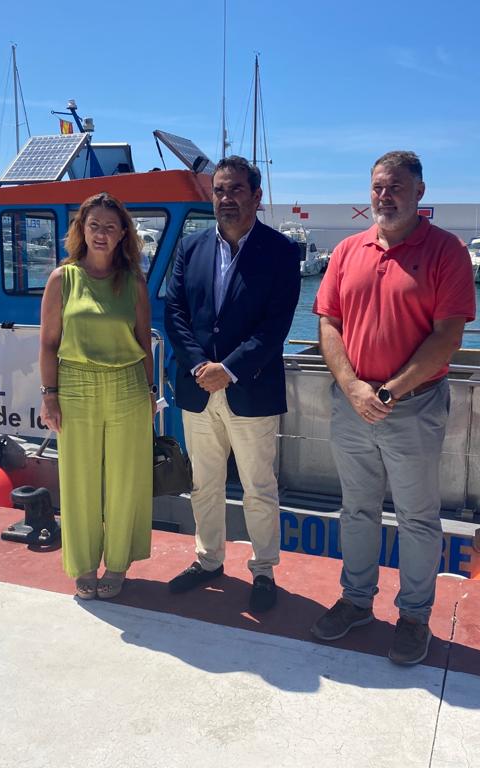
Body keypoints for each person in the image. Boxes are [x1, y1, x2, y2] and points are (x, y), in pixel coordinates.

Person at [310, 151, 476, 664]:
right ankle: (357, 601)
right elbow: (328, 324)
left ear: (420, 193)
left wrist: (390, 391)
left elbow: (448, 336)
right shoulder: (346, 250)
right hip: (353, 405)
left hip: (414, 408)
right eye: (379, 187)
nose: (386, 196)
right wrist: (355, 388)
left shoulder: (446, 252)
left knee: (417, 517)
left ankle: (413, 617)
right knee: (356, 510)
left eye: (397, 187)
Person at [164, 155, 301, 613]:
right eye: (219, 190)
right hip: (199, 388)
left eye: (236, 190)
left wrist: (231, 368)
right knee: (204, 483)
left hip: (251, 389)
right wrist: (203, 365)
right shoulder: (191, 248)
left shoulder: (282, 252)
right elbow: (175, 314)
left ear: (256, 196)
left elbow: (275, 325)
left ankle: (263, 570)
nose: (226, 198)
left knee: (259, 487)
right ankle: (208, 560)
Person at [38, 192, 156, 601]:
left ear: (123, 232)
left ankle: (119, 564)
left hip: (127, 386)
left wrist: (150, 394)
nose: (101, 234)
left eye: (110, 226)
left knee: (126, 480)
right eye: (94, 226)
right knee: (79, 480)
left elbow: (144, 341)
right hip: (75, 385)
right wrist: (49, 396)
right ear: (81, 231)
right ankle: (85, 565)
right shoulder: (62, 278)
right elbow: (49, 343)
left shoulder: (134, 282)